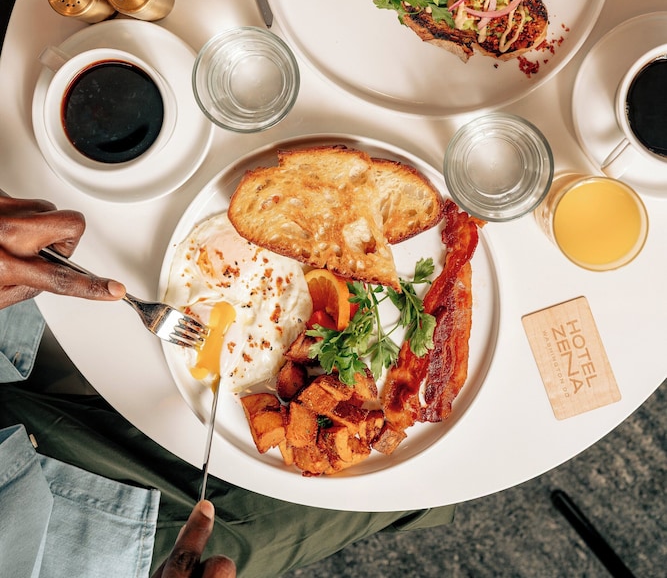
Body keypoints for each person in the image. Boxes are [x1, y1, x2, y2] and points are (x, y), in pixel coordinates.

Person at [0, 190, 456, 577]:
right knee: (402, 494)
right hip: (82, 544)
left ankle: (429, 502)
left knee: (405, 493)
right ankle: (430, 502)